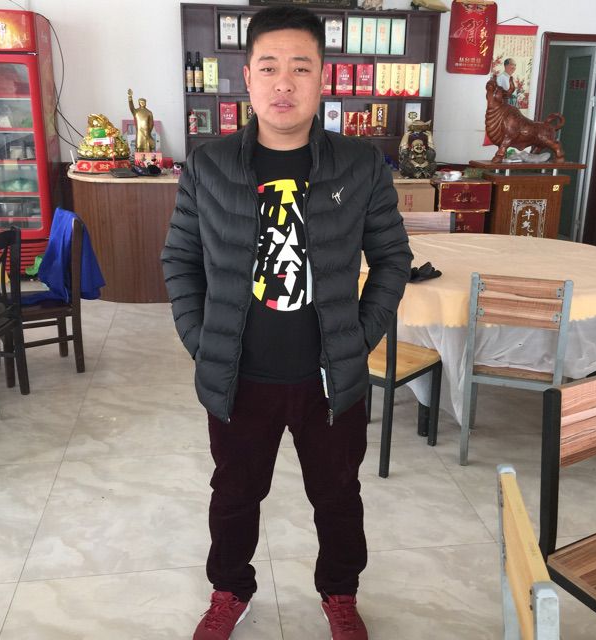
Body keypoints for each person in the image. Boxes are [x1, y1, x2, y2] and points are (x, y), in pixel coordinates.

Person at [161, 6, 412, 640]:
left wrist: (359, 337)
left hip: (329, 378)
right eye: (269, 67)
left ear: (322, 77)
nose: (284, 82)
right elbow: (180, 261)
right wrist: (201, 342)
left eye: (300, 67)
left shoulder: (360, 164)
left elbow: (393, 259)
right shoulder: (209, 165)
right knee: (234, 495)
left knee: (338, 496)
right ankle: (229, 590)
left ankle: (340, 594)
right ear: (247, 77)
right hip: (237, 376)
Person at [127, 88, 155, 153]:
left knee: (147, 147)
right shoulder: (136, 112)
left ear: (146, 103)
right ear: (139, 103)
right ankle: (139, 158)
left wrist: (148, 131)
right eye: (141, 102)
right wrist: (130, 97)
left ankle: (148, 157)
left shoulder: (149, 112)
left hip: (147, 132)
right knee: (139, 145)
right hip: (139, 132)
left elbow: (151, 123)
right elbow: (131, 107)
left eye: (144, 102)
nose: (142, 103)